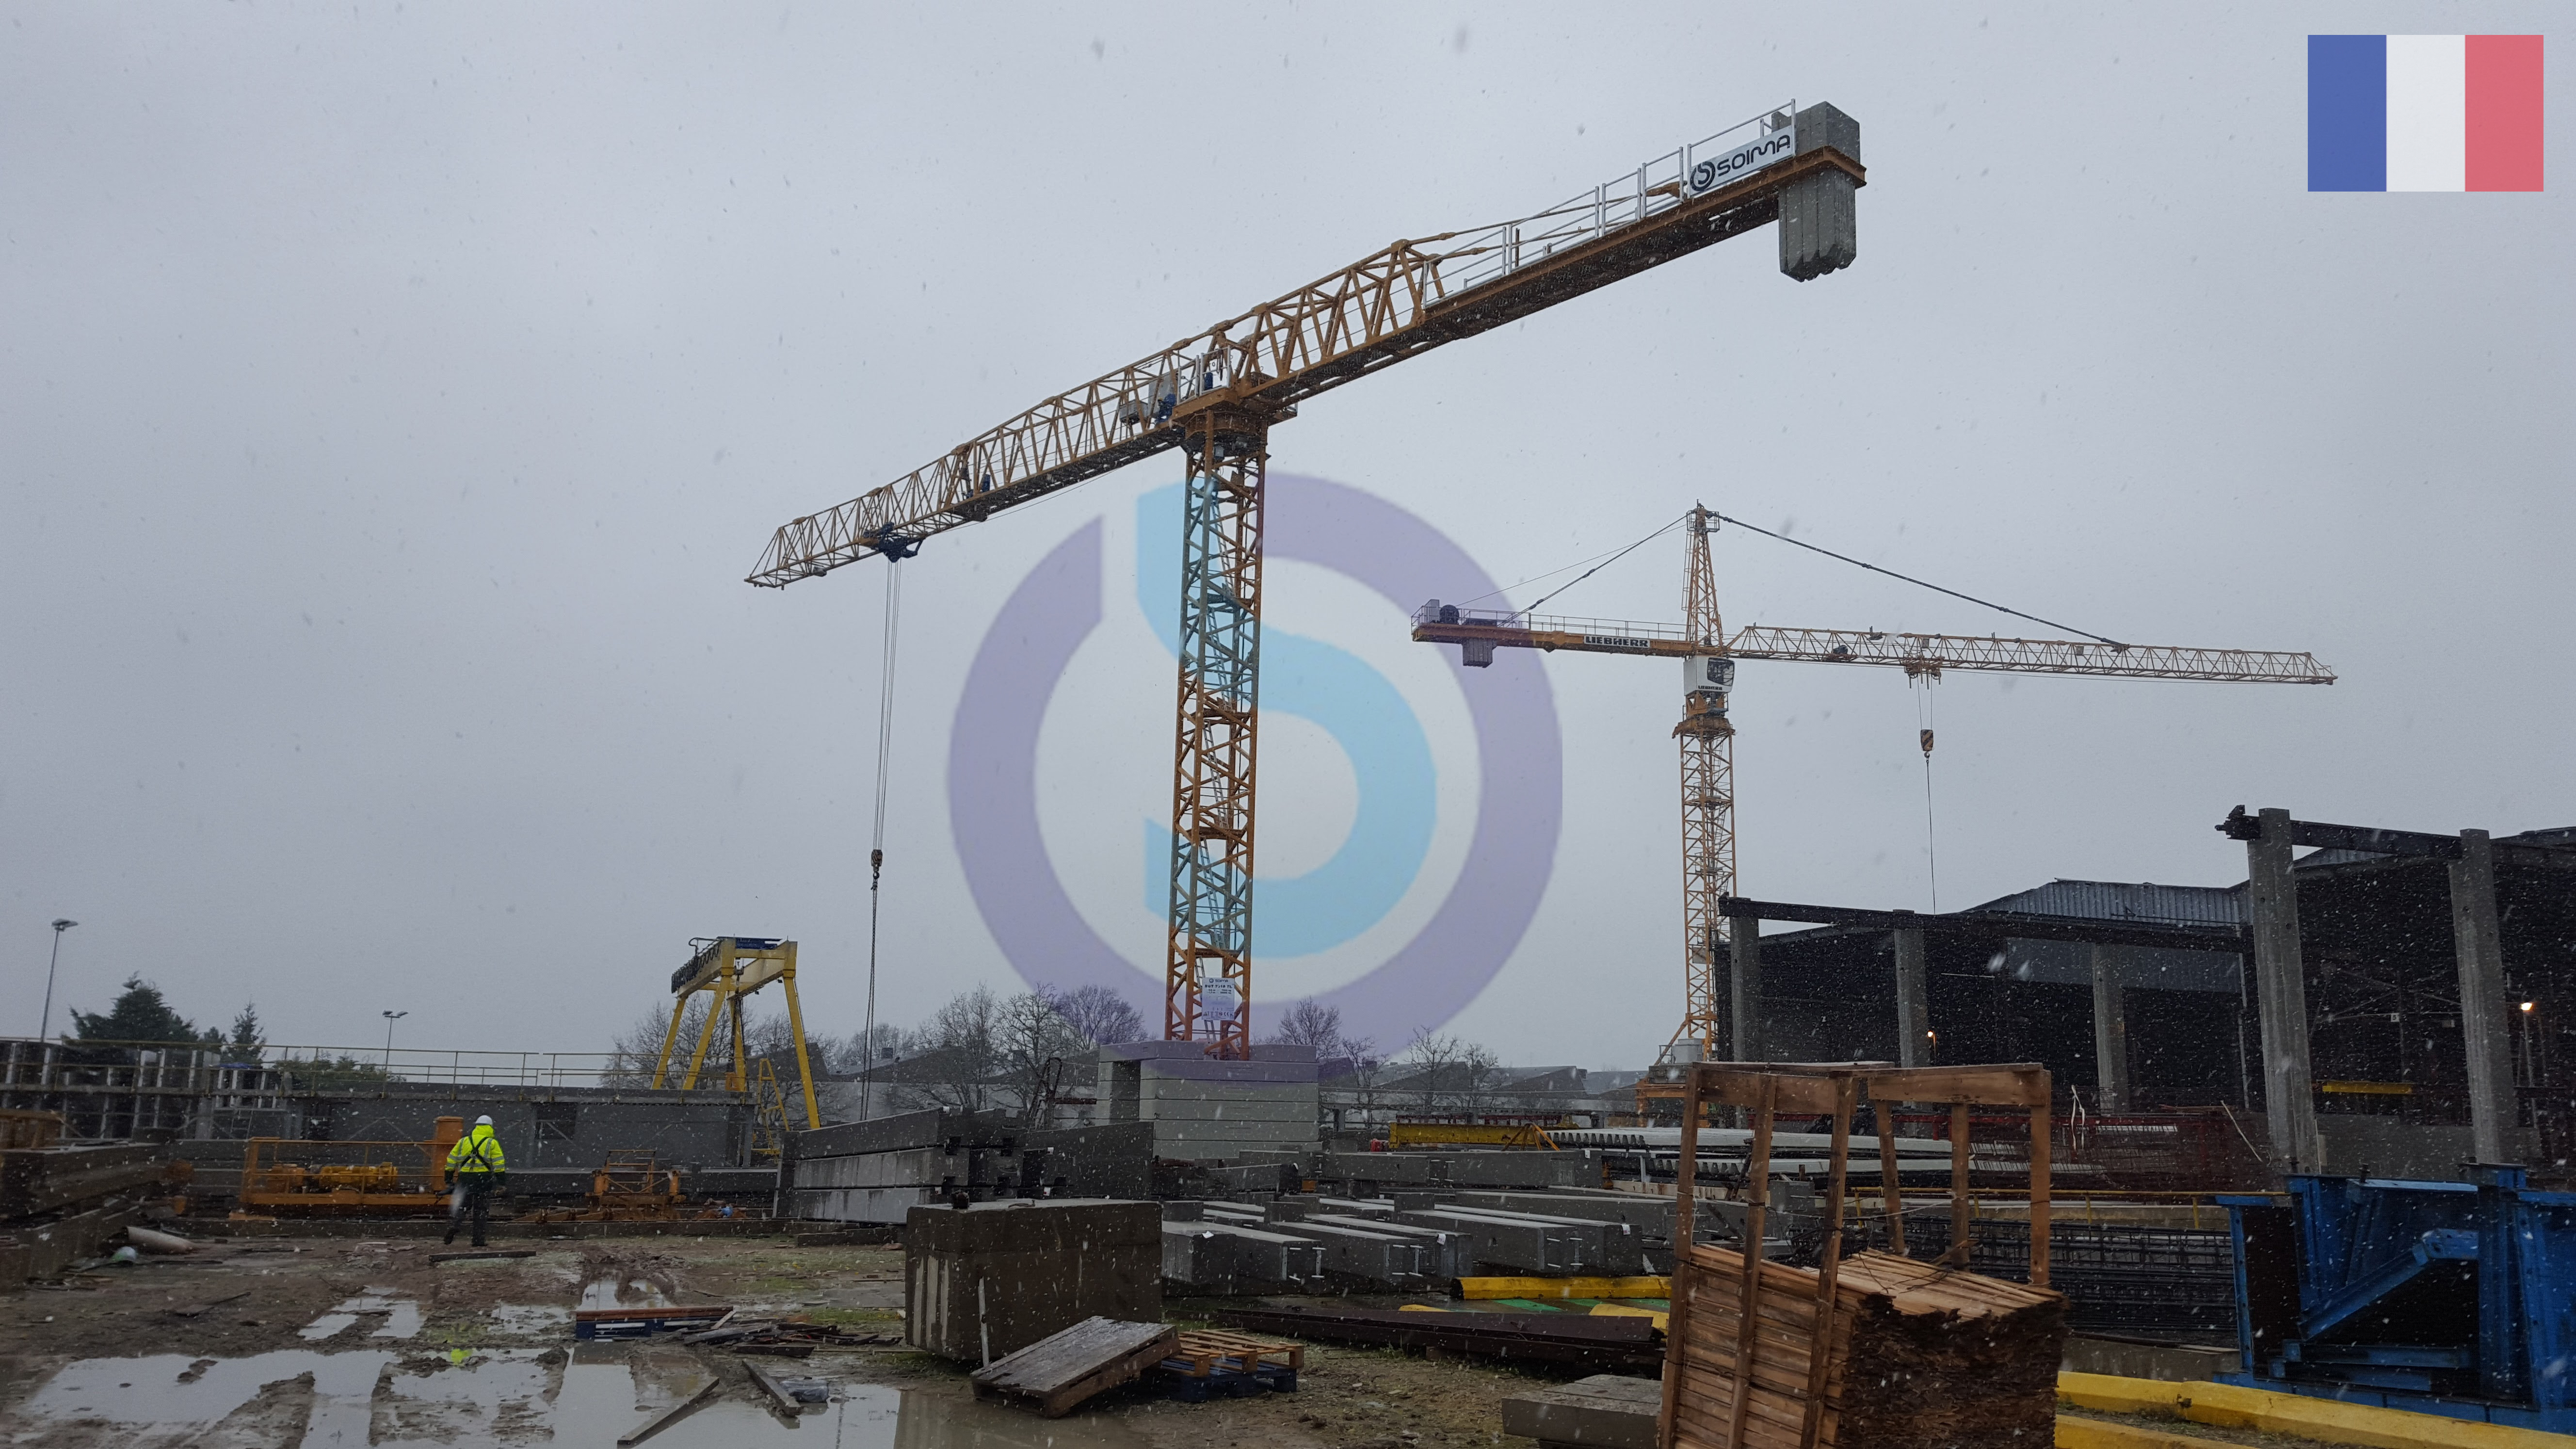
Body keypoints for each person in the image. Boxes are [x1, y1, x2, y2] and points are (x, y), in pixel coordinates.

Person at [443, 1114, 509, 1246]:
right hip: (483, 1181)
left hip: (465, 1179)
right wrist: (501, 1183)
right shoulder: (492, 1143)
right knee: (481, 1211)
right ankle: (478, 1240)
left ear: (476, 1126)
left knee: (462, 1207)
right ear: (490, 1128)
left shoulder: (463, 1142)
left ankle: (455, 1225)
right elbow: (499, 1165)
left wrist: (449, 1179)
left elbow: (451, 1161)